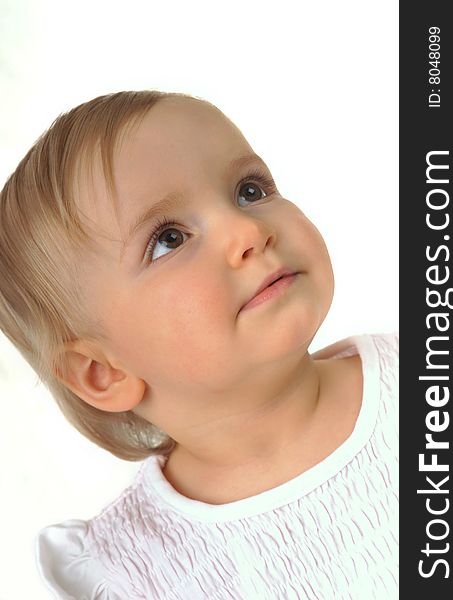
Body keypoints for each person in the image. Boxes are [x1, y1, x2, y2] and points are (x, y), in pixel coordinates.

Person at [0, 90, 398, 599]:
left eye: (249, 191)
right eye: (169, 238)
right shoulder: (132, 571)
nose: (248, 230)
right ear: (104, 371)